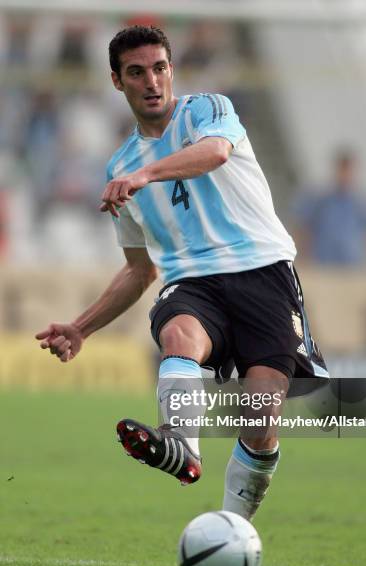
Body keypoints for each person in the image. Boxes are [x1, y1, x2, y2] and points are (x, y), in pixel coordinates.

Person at [36, 26, 328, 522]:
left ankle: (231, 527)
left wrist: (146, 175)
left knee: (259, 419)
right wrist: (80, 327)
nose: (151, 81)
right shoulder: (121, 165)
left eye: (159, 68)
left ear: (171, 69)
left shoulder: (207, 110)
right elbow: (139, 270)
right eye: (136, 72)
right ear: (116, 81)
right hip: (194, 284)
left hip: (264, 273)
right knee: (178, 332)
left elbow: (215, 153)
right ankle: (182, 445)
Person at [291, 151, 366, 266]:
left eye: (349, 171)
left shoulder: (362, 203)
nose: (346, 175)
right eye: (343, 170)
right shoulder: (320, 200)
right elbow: (302, 227)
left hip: (352, 266)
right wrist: (302, 255)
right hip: (324, 264)